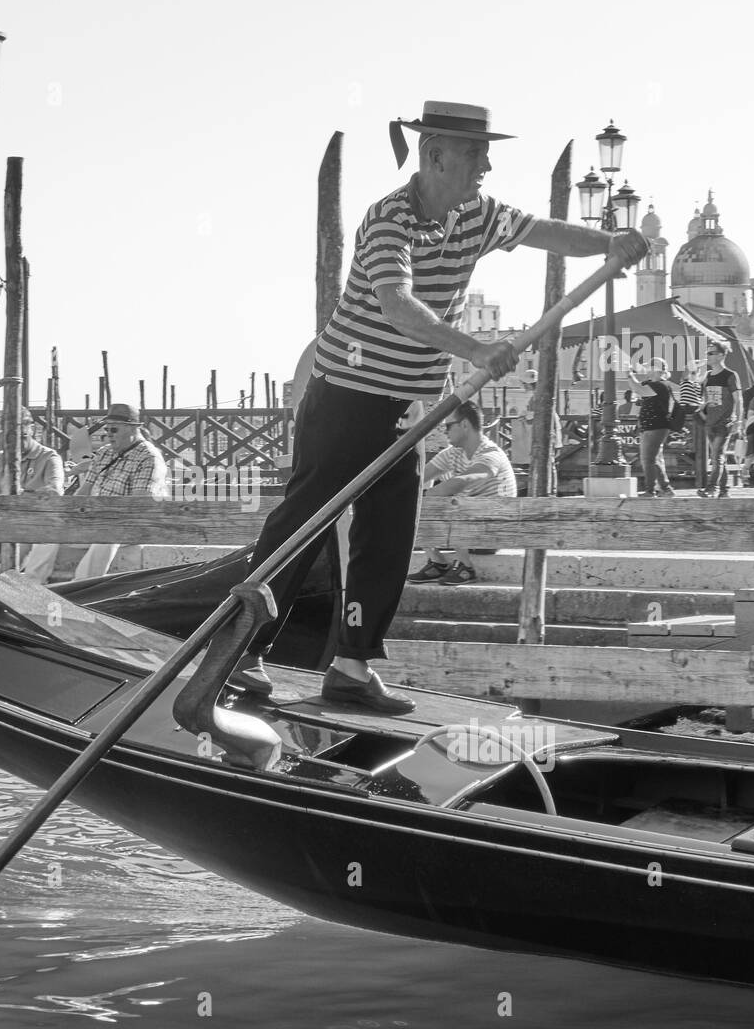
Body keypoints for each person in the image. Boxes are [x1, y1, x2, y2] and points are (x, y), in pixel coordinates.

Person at [227, 99, 647, 713]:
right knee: (306, 519)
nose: (485, 166)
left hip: (407, 406)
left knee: (390, 533)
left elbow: (544, 232)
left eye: (485, 154)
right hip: (346, 394)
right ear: (435, 155)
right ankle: (242, 647)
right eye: (476, 154)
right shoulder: (389, 219)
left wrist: (611, 241)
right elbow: (397, 305)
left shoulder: (477, 214)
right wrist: (474, 349)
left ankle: (351, 665)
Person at [409, 400, 518, 583]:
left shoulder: (490, 454)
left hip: (494, 533)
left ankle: (466, 567)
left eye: (448, 426)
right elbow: (419, 478)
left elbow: (463, 481)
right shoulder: (453, 453)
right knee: (414, 499)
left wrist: (424, 498)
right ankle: (437, 563)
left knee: (453, 503)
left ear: (465, 424)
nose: (445, 432)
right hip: (469, 530)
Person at [70, 402, 167, 580]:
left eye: (113, 429)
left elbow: (138, 506)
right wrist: (67, 516)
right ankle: (31, 583)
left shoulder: (149, 457)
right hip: (100, 520)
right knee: (47, 532)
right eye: (106, 430)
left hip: (132, 524)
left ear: (132, 428)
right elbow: (84, 492)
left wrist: (101, 516)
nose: (109, 434)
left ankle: (79, 586)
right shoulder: (104, 453)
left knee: (109, 534)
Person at [0, 409, 65, 583]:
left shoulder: (49, 457)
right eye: (12, 437)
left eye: (22, 435)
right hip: (3, 523)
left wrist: (20, 496)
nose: (17, 442)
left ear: (32, 429)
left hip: (36, 523)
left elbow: (55, 491)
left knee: (30, 537)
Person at [697, 342, 742, 497]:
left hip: (725, 423)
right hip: (710, 423)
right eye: (707, 353)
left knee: (716, 456)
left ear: (721, 356)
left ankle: (711, 488)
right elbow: (702, 398)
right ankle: (724, 491)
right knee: (719, 458)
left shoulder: (730, 375)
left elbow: (738, 399)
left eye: (711, 353)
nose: (707, 356)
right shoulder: (707, 376)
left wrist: (738, 421)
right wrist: (703, 411)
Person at [632, 357, 677, 497]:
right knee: (654, 459)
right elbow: (639, 392)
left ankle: (650, 490)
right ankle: (666, 488)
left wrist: (629, 375)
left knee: (648, 459)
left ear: (656, 370)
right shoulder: (652, 384)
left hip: (656, 426)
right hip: (651, 427)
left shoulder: (661, 385)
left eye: (649, 367)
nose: (646, 370)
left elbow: (637, 388)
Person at [520, 367, 562, 494]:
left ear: (529, 384)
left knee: (548, 462)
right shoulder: (537, 397)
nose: (523, 386)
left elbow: (537, 416)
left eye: (524, 384)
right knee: (547, 462)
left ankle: (549, 490)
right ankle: (547, 490)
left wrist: (526, 416)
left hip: (547, 434)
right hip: (546, 434)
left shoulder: (537, 398)